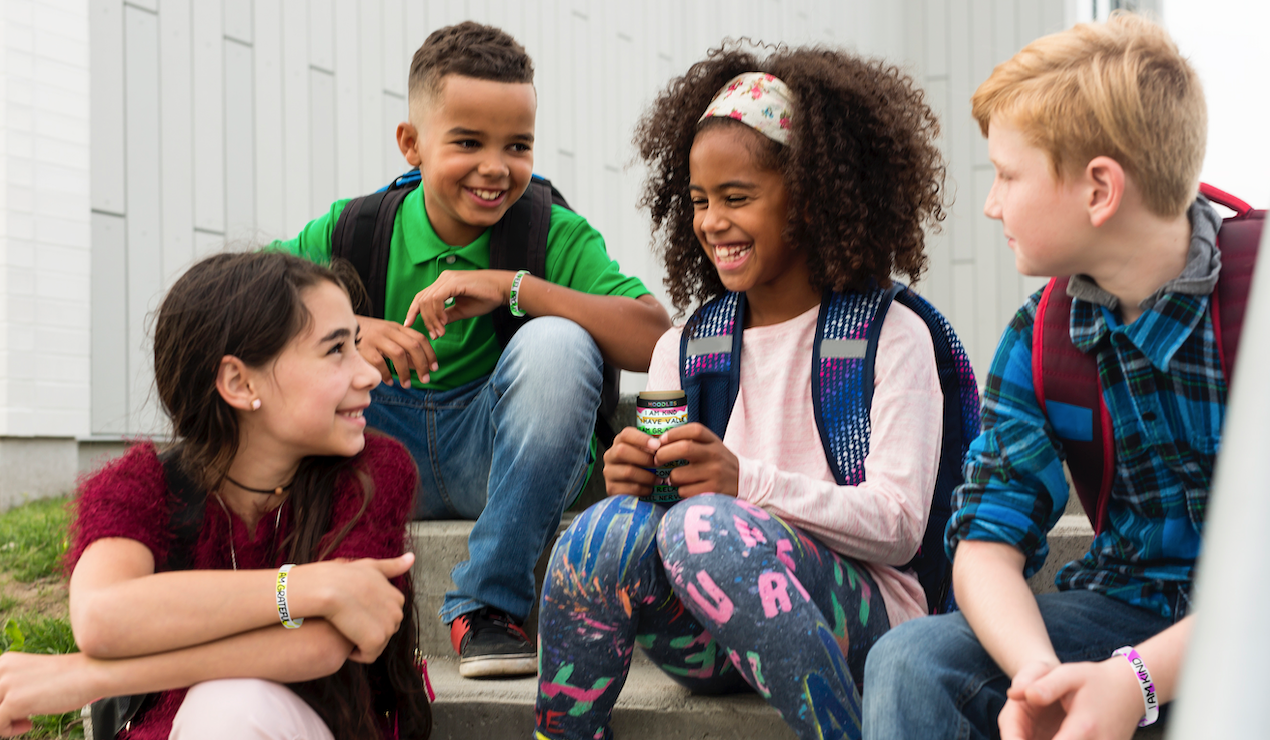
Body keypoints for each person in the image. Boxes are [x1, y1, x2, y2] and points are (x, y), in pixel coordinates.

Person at [535, 44, 950, 740]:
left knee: (710, 527)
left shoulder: (891, 334)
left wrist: (740, 482)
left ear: (813, 197)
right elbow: (662, 519)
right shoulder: (687, 344)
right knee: (603, 529)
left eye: (736, 198)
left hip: (859, 616)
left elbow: (900, 525)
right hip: (709, 627)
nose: (711, 222)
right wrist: (633, 484)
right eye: (699, 201)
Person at [272, 21, 670, 679]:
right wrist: (348, 328)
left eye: (518, 145)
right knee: (296, 346)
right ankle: (312, 592)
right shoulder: (353, 230)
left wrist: (515, 288)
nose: (495, 167)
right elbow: (228, 302)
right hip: (379, 452)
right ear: (412, 144)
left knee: (559, 342)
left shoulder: (551, 232)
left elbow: (656, 337)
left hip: (504, 456)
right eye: (467, 142)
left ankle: (489, 604)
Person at [863, 13, 1215, 740]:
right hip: (1126, 606)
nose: (991, 203)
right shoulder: (1043, 333)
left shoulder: (1254, 308)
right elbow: (986, 541)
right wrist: (1036, 677)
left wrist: (1136, 682)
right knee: (911, 660)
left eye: (1007, 173)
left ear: (1098, 191)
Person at [0, 251, 431, 739]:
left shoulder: (373, 470)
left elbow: (323, 644)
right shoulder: (142, 484)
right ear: (239, 382)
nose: (369, 373)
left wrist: (92, 677)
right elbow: (102, 616)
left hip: (317, 725)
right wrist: (313, 587)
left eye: (357, 344)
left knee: (233, 705)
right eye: (336, 351)